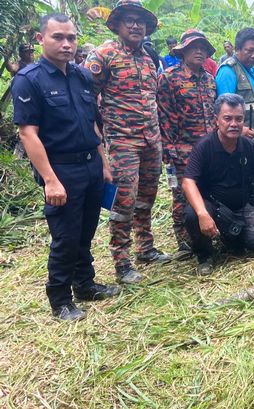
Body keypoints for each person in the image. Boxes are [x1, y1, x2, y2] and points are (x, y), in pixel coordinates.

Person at [12, 13, 120, 321]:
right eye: (58, 37)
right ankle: (59, 298)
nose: (66, 44)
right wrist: (50, 180)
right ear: (41, 39)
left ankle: (84, 284)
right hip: (60, 170)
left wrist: (104, 162)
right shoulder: (30, 79)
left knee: (86, 230)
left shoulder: (81, 76)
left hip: (90, 165)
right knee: (65, 236)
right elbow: (27, 133)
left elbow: (92, 124)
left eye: (71, 38)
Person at [85, 0, 170, 284]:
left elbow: (155, 98)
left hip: (151, 139)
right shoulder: (103, 55)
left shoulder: (149, 57)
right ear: (117, 24)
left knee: (147, 196)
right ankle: (122, 262)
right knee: (124, 199)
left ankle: (145, 248)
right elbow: (87, 99)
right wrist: (98, 138)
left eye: (141, 21)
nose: (136, 25)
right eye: (130, 20)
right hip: (122, 141)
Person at [182, 94, 254, 275]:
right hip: (214, 206)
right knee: (192, 215)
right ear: (217, 120)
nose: (234, 123)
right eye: (227, 118)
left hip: (242, 206)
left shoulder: (248, 146)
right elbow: (188, 182)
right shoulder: (204, 146)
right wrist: (202, 213)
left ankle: (232, 238)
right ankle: (204, 255)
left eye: (239, 119)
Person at [157, 29, 217, 260]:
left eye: (203, 48)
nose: (199, 52)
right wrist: (169, 151)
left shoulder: (210, 80)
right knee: (181, 196)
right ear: (183, 52)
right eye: (194, 47)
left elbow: (213, 115)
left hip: (208, 149)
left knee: (207, 191)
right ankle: (184, 242)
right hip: (182, 150)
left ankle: (206, 234)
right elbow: (165, 116)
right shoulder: (169, 78)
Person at [216, 27, 254, 164]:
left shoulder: (252, 70)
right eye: (249, 50)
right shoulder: (228, 70)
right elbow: (224, 108)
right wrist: (241, 129)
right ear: (238, 49)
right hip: (240, 140)